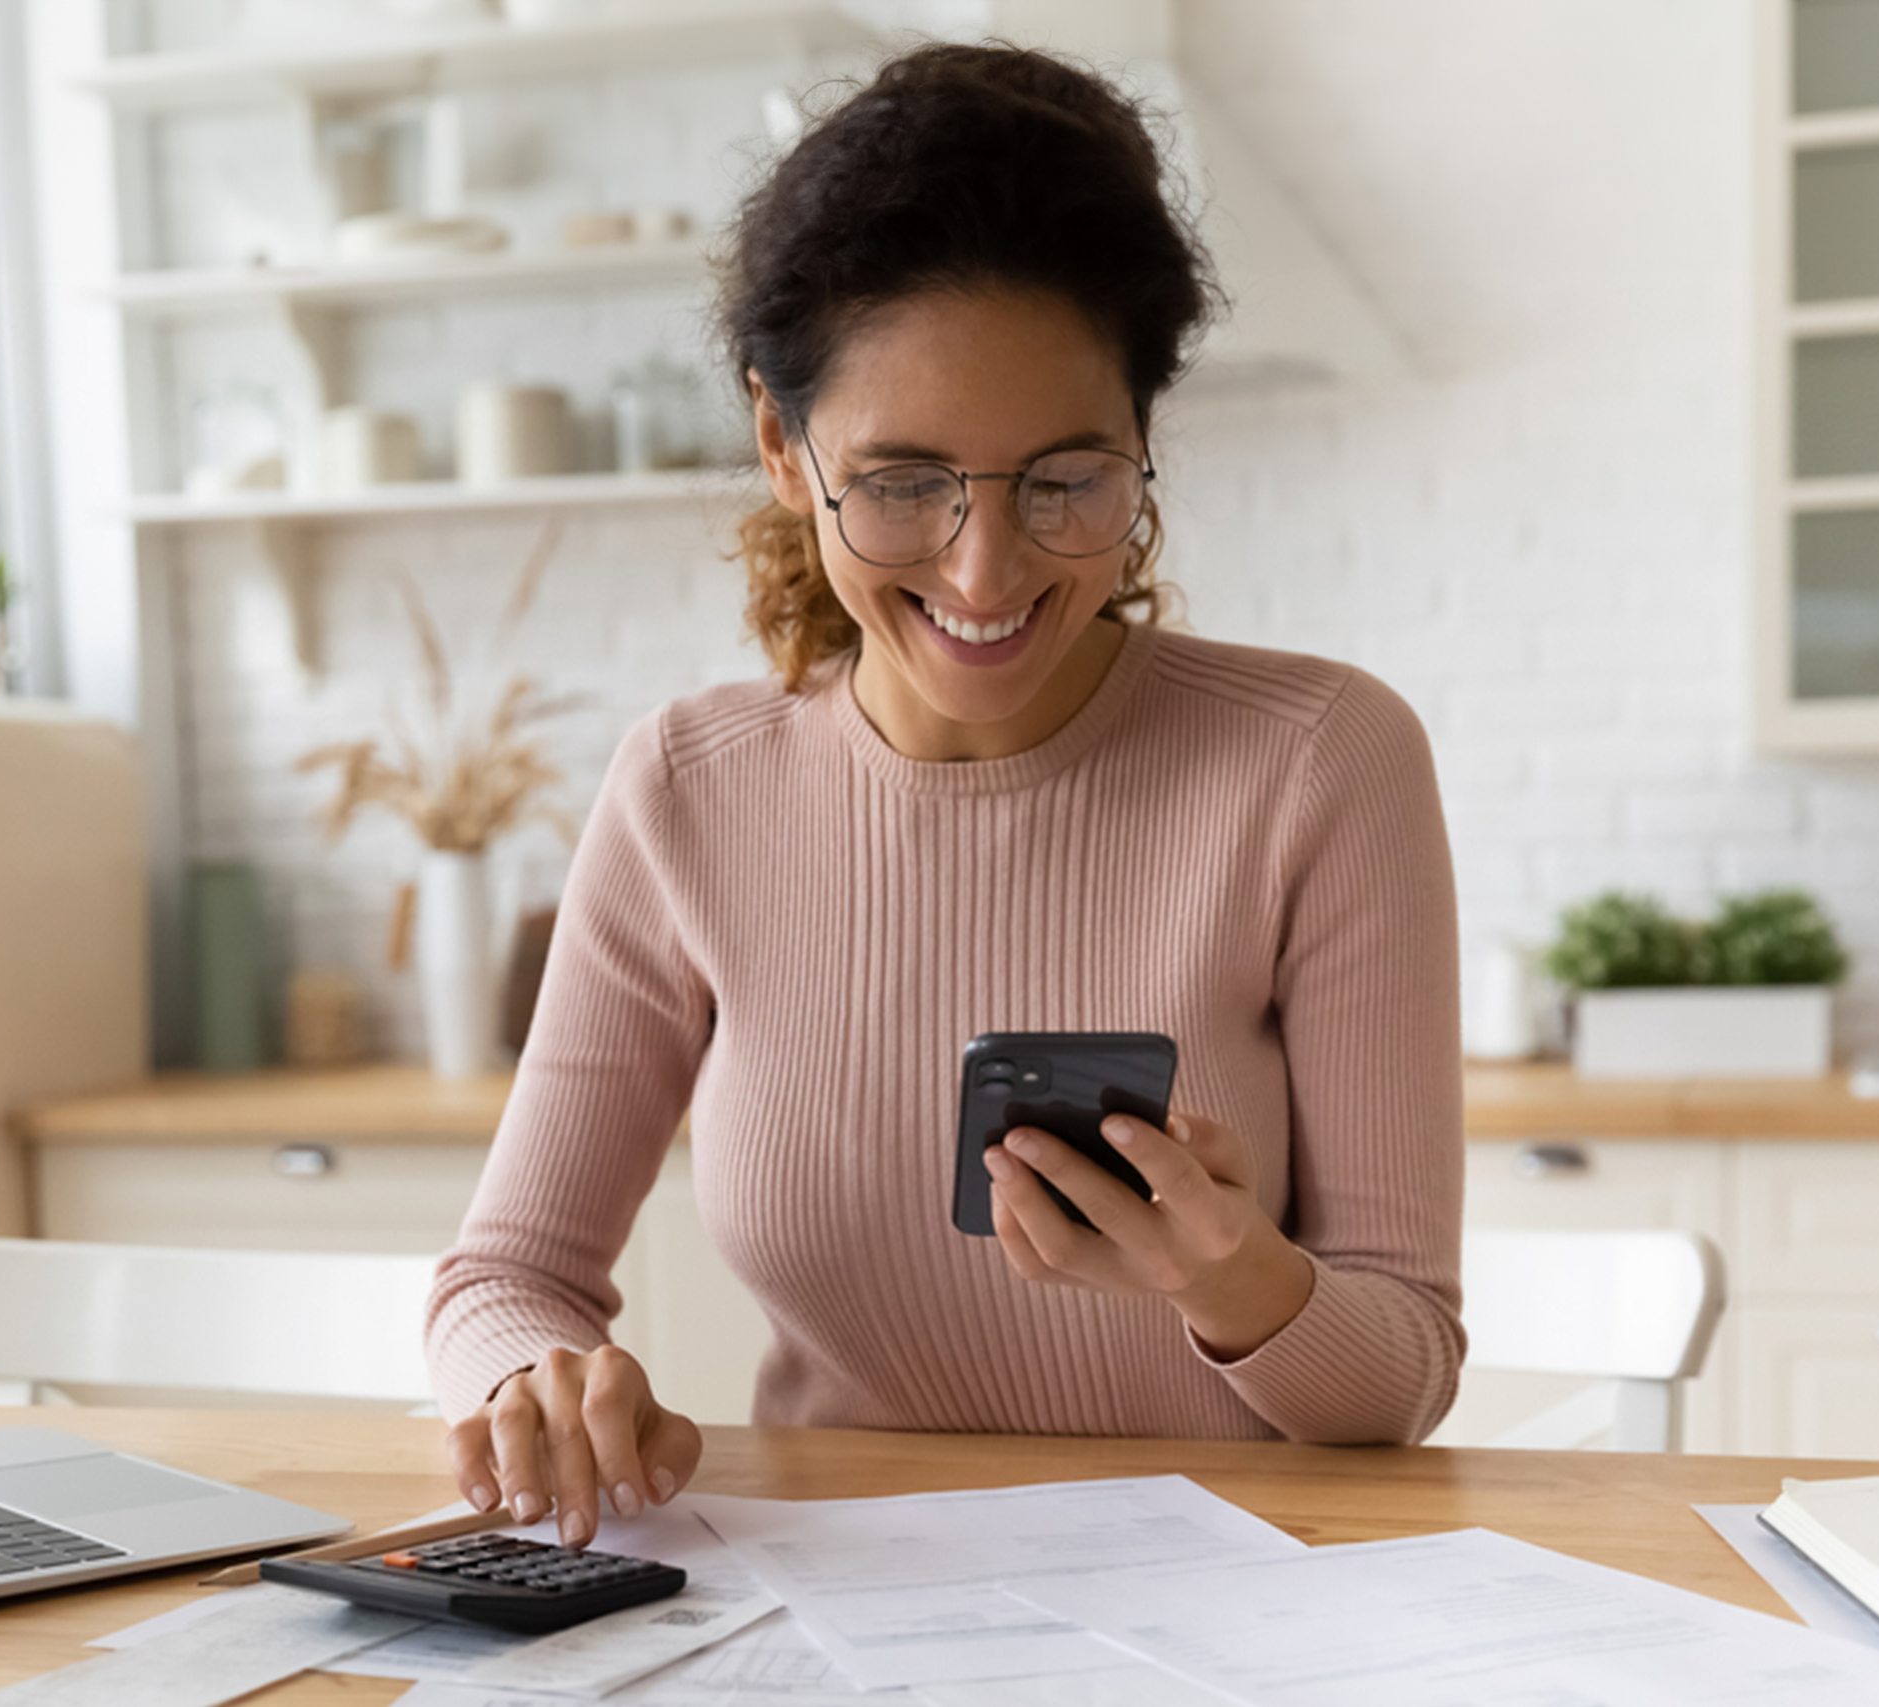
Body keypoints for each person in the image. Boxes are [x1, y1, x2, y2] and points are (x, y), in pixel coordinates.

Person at [426, 42, 1464, 1547]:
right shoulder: (689, 791)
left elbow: (1403, 1375)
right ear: (785, 449)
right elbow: (501, 1277)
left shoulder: (1318, 759)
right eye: (904, 481)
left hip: (1245, 1602)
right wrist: (538, 1379)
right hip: (844, 1605)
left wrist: (1231, 1274)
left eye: (1065, 479)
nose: (985, 572)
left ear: (1145, 449)